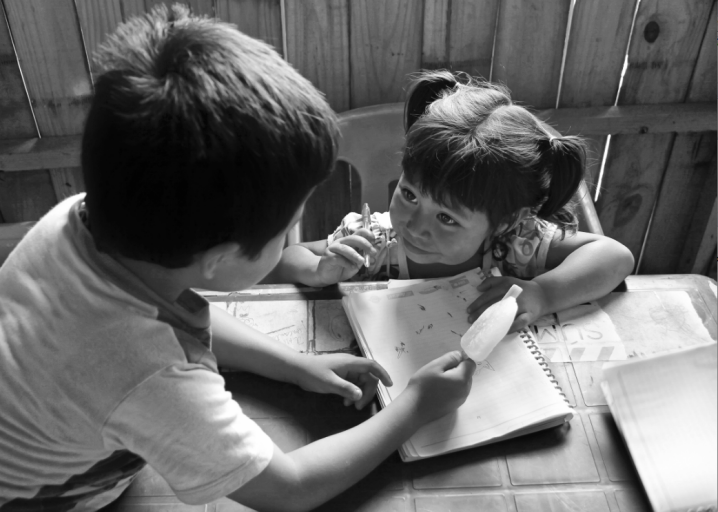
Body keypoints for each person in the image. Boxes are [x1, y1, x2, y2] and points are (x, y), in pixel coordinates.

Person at [0, 8, 476, 512]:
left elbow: (174, 317)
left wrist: (294, 366)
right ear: (221, 258)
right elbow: (290, 487)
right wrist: (413, 407)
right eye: (286, 229)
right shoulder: (146, 373)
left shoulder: (83, 219)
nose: (290, 238)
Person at [271, 70, 635, 332]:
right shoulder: (375, 242)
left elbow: (615, 257)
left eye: (446, 218)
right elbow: (289, 259)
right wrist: (319, 271)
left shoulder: (516, 244)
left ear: (505, 221)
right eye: (409, 194)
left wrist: (542, 294)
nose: (415, 227)